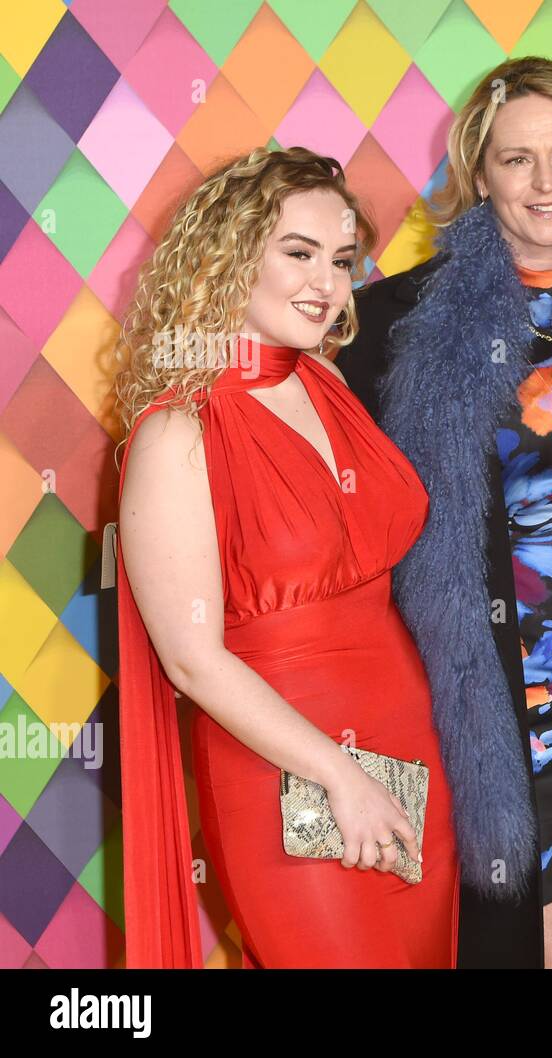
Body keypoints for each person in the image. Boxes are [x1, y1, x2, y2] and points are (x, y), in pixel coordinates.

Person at [334, 57, 552, 969]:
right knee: (526, 931)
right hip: (490, 701)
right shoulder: (395, 321)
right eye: (517, 159)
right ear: (478, 171)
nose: (546, 184)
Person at [113, 147, 458, 968]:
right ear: (229, 258)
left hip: (411, 749)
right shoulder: (176, 432)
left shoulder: (328, 384)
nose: (328, 285)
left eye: (341, 261)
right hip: (283, 770)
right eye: (297, 254)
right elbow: (194, 662)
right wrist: (340, 776)